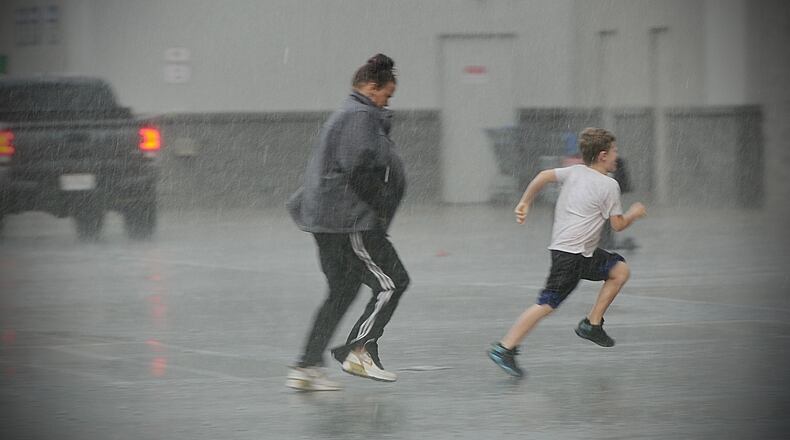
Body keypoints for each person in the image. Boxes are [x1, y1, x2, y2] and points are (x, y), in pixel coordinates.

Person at [284, 54, 409, 391]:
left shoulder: (351, 113)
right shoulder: (359, 116)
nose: (388, 102)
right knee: (393, 282)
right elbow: (359, 169)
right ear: (370, 87)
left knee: (342, 292)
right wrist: (381, 209)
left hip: (329, 220)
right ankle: (360, 349)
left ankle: (306, 366)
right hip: (349, 220)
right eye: (387, 94)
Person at [488, 127, 646, 377]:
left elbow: (542, 176)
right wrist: (634, 214)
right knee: (547, 304)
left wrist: (525, 201)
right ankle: (504, 347)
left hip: (580, 253)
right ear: (603, 155)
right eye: (615, 151)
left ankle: (592, 324)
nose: (617, 156)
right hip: (570, 256)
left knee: (619, 270)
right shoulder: (608, 185)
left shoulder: (573, 172)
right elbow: (617, 225)